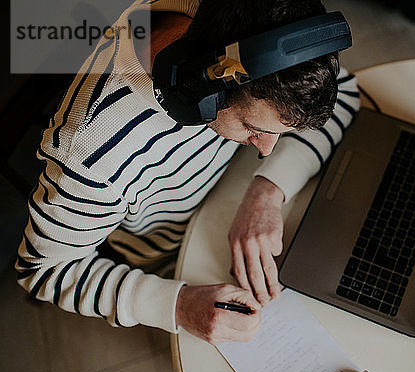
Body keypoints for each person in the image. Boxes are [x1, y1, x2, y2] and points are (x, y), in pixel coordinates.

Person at [15, 0, 360, 344]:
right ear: (196, 88)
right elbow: (43, 270)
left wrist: (267, 192)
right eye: (252, 128)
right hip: (169, 254)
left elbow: (345, 91)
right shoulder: (90, 157)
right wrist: (178, 305)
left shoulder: (255, 37)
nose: (267, 149)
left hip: (230, 193)